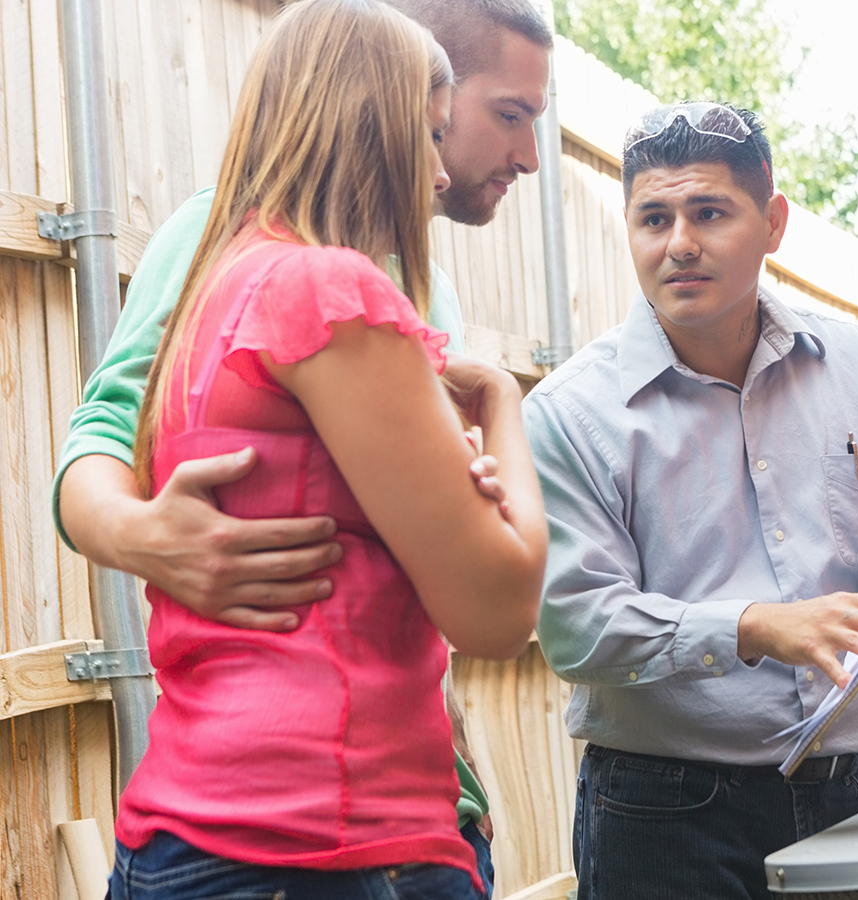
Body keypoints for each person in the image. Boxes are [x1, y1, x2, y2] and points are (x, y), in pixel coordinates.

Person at [53, 0, 552, 893]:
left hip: (241, 805)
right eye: (490, 119)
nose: (441, 173)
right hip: (321, 827)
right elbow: (497, 608)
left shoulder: (254, 276)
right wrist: (501, 410)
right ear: (385, 109)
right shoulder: (318, 283)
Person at [524, 102, 858, 900]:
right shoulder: (570, 413)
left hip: (848, 791)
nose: (679, 243)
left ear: (773, 222)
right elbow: (576, 626)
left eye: (709, 212)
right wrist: (752, 628)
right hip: (659, 815)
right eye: (653, 218)